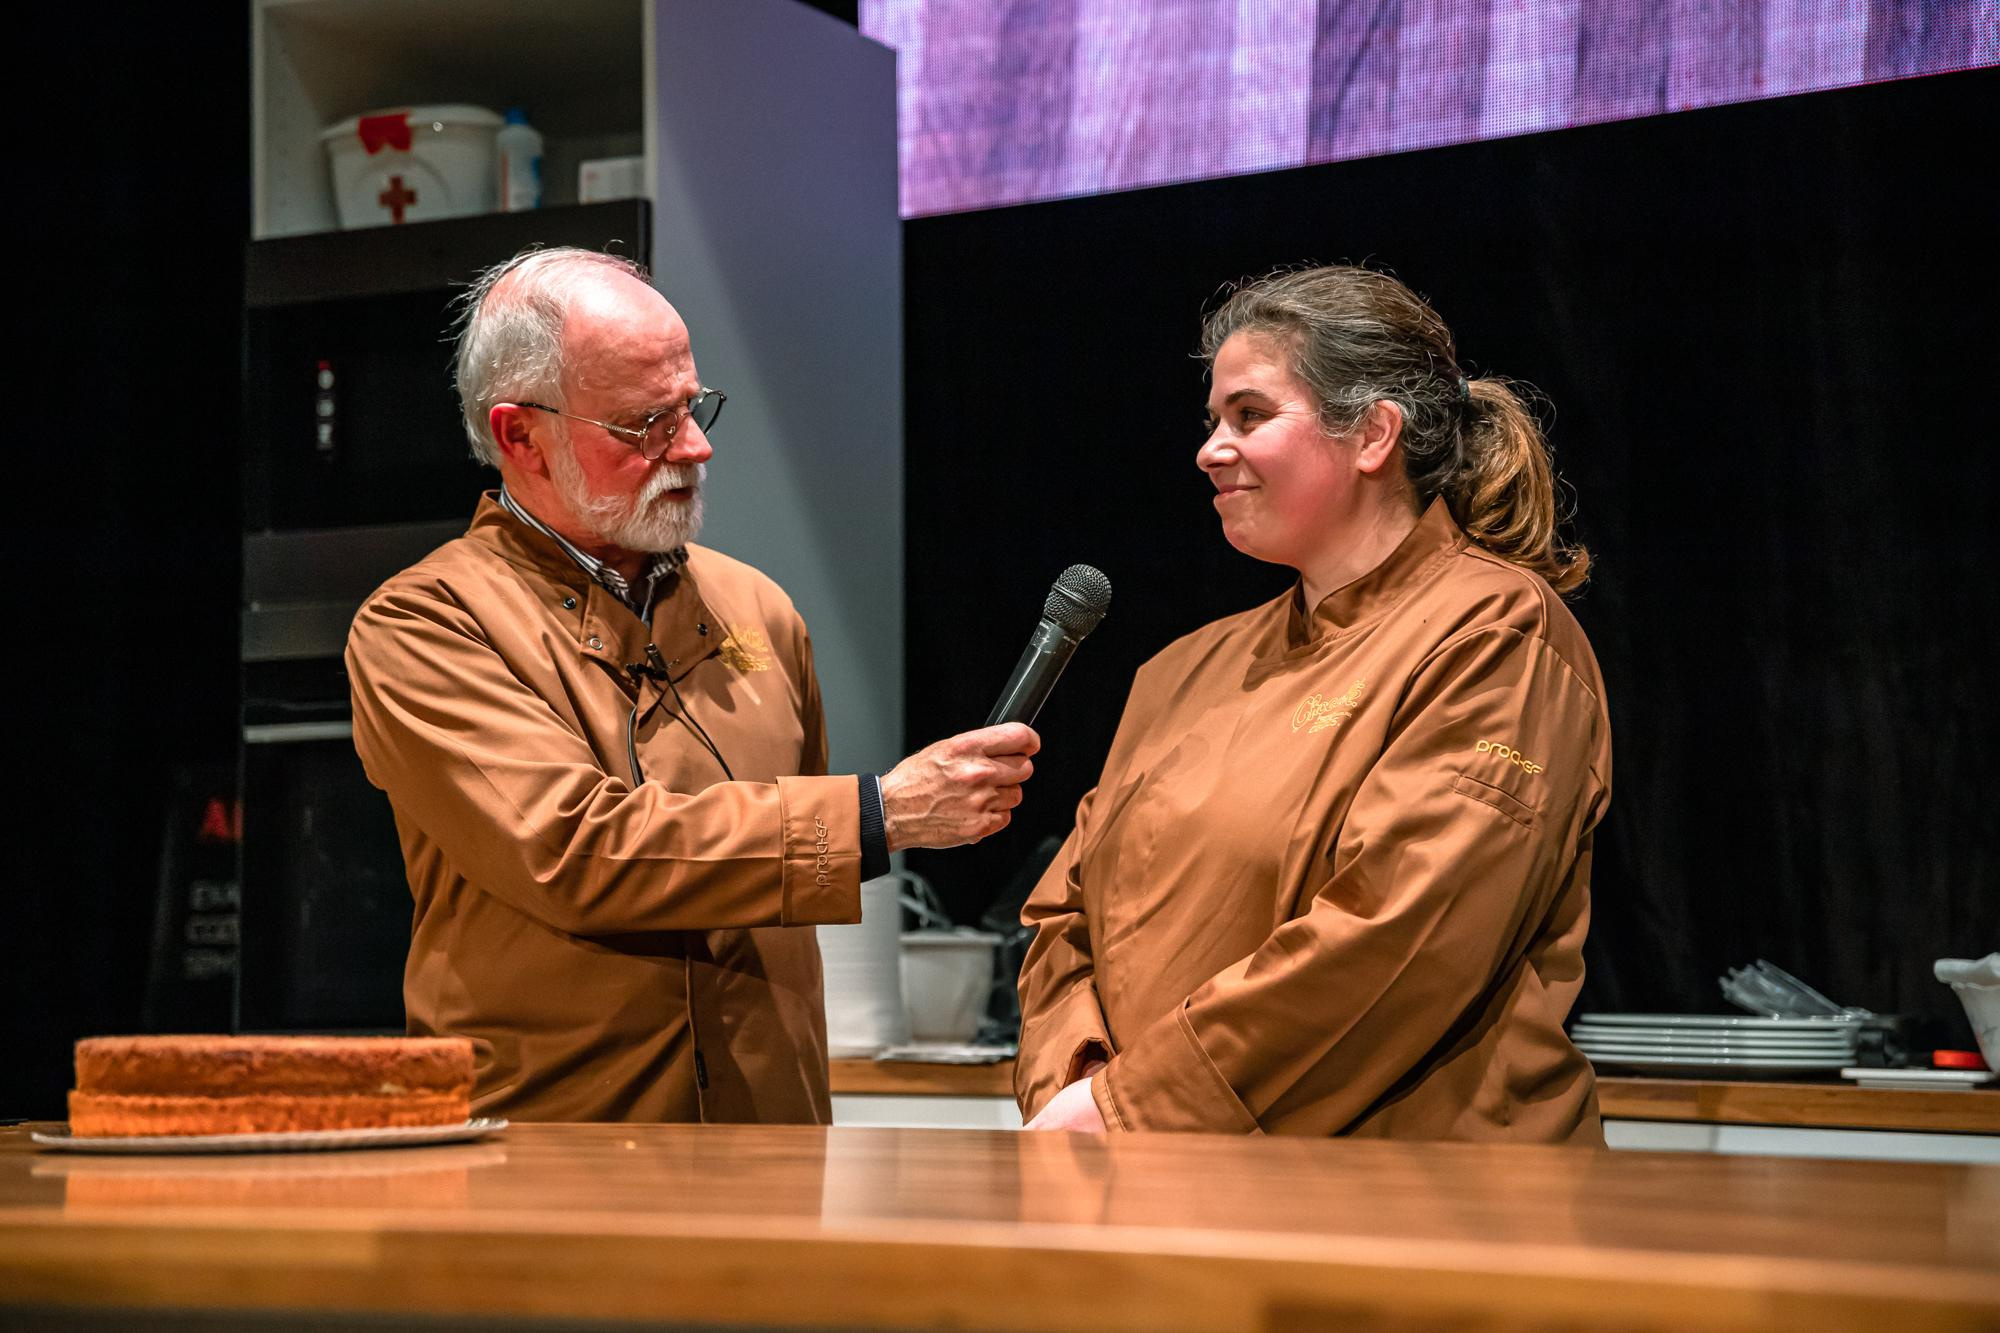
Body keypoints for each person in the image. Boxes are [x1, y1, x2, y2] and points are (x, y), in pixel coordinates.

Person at [346, 247, 1037, 1124]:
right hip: (547, 1166)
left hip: (772, 1160)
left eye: (693, 406)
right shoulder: (426, 624)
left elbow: (776, 895)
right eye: (645, 425)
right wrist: (878, 813)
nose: (697, 446)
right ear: (521, 435)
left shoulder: (758, 608)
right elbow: (578, 852)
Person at [1015, 266, 1610, 1143]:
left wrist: (1130, 1110)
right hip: (1165, 1192)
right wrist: (1079, 1082)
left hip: (1418, 1223)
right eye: (1213, 420)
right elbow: (1062, 918)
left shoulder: (1498, 634)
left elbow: (1399, 942)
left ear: (1372, 434)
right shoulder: (1181, 669)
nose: (1210, 448)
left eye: (1250, 416)